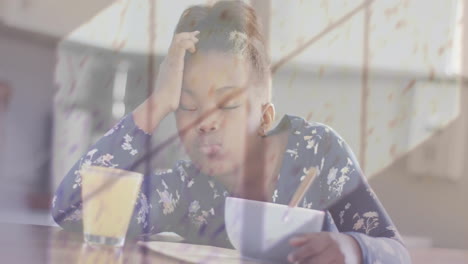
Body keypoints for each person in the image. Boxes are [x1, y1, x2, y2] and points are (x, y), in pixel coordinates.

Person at [52, 1, 410, 263]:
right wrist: (157, 103)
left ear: (265, 117)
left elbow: (395, 251)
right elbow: (73, 208)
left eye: (227, 104)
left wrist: (352, 249)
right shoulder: (187, 191)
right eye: (187, 106)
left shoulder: (319, 152)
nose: (204, 122)